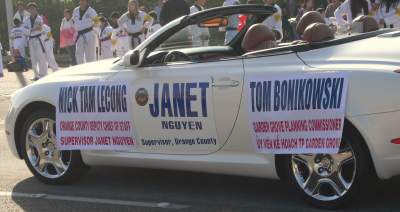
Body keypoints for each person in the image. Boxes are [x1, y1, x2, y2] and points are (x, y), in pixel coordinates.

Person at [24, 2, 47, 80]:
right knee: (33, 58)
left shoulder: (39, 18)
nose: (32, 10)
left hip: (38, 39)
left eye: (33, 9)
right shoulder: (26, 20)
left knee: (40, 57)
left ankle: (42, 74)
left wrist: (30, 30)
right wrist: (33, 29)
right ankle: (36, 75)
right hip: (31, 40)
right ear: (28, 10)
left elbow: (40, 29)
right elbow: (25, 31)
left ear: (36, 10)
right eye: (30, 9)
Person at [72, 0, 98, 64]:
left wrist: (94, 29)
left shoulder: (92, 11)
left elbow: (97, 22)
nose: (82, 2)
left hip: (89, 34)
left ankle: (91, 71)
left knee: (90, 55)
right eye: (81, 1)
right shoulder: (75, 10)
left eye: (84, 1)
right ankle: (80, 70)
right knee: (78, 55)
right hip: (79, 35)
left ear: (87, 2)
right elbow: (73, 21)